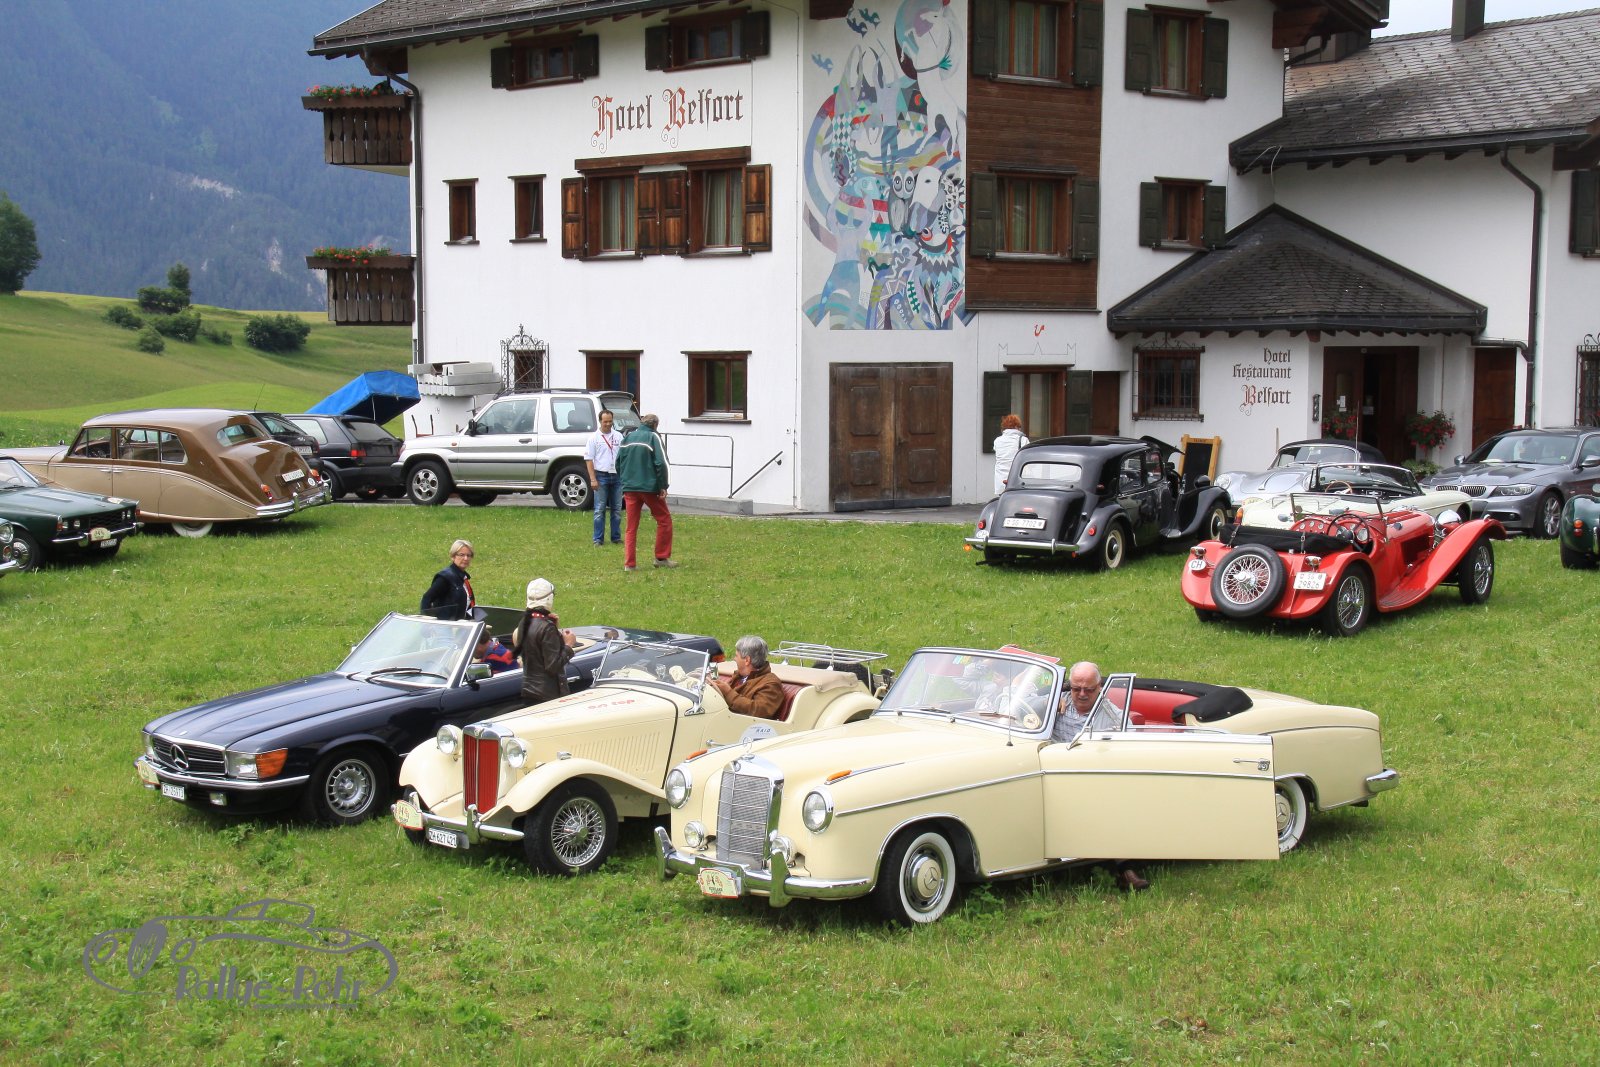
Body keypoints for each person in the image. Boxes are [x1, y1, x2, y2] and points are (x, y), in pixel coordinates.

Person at [1054, 660, 1148, 892]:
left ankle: (1126, 870)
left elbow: (1130, 747)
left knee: (1109, 803)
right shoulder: (1054, 702)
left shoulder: (1112, 716)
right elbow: (1010, 704)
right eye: (1076, 688)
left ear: (1099, 688)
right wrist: (1050, 701)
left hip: (1090, 778)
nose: (1082, 694)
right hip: (1052, 773)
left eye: (1088, 689)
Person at [617, 413, 675, 571]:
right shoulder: (653, 437)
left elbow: (618, 462)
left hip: (630, 488)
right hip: (649, 487)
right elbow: (661, 463)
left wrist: (624, 481)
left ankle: (629, 564)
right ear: (655, 425)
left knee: (631, 527)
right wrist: (663, 485)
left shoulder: (628, 437)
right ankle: (661, 557)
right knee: (664, 520)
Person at [511, 578, 577, 704]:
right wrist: (569, 645)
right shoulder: (547, 627)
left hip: (529, 690)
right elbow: (553, 666)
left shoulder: (524, 622)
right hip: (548, 695)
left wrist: (552, 628)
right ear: (549, 598)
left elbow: (536, 649)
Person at [711, 635, 785, 719]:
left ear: (747, 660)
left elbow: (759, 711)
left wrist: (728, 692)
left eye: (736, 655)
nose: (734, 659)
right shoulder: (739, 676)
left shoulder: (771, 684)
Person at [584, 409, 624, 547]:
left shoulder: (618, 436)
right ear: (600, 421)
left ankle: (616, 537)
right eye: (605, 421)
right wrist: (592, 479)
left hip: (617, 476)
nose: (608, 424)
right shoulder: (594, 438)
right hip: (601, 476)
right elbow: (589, 459)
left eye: (610, 421)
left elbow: (623, 456)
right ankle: (598, 539)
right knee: (599, 509)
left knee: (617, 509)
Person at [420, 540, 475, 620]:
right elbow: (427, 598)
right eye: (461, 555)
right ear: (453, 556)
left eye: (468, 555)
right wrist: (428, 623)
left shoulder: (464, 578)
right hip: (446, 625)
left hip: (460, 624)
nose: (466, 558)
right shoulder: (445, 577)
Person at [993, 414, 1029, 495]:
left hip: (1001, 479)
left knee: (1003, 500)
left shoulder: (997, 440)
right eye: (1019, 426)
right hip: (1016, 478)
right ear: (1016, 426)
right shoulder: (1023, 440)